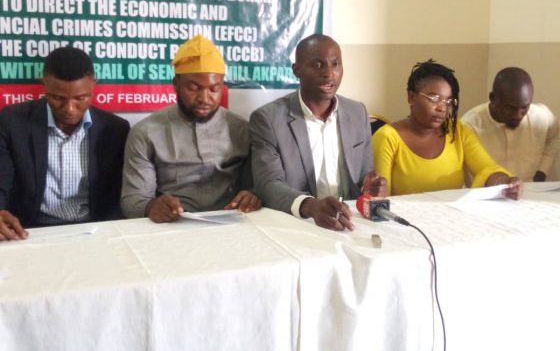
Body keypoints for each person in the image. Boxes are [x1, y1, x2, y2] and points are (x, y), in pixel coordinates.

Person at [249, 34, 387, 231]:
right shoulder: (268, 119)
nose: (329, 74)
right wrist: (311, 206)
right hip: (297, 225)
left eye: (335, 64)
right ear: (296, 70)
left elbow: (364, 177)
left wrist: (371, 187)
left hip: (349, 221)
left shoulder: (357, 113)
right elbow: (268, 185)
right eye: (318, 65)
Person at [121, 35, 261, 223]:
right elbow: (132, 202)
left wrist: (253, 195)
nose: (204, 98)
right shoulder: (146, 133)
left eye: (214, 89)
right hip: (172, 225)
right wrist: (151, 207)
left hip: (232, 224)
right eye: (194, 88)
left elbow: (258, 187)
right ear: (175, 85)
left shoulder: (242, 129)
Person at [0, 46, 130, 241]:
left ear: (93, 85)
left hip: (96, 231)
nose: (69, 108)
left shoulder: (115, 129)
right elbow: (2, 178)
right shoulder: (13, 122)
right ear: (44, 84)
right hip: (30, 231)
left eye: (80, 98)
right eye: (57, 98)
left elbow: (117, 193)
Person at [372, 59, 521, 198]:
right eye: (434, 99)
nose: (442, 108)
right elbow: (379, 196)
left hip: (450, 214)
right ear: (411, 97)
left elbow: (486, 168)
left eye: (448, 101)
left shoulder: (458, 132)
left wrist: (503, 182)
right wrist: (377, 193)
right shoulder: (387, 137)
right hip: (403, 216)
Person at [462, 67, 560, 182]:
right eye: (510, 108)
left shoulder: (541, 116)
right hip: (484, 191)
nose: (518, 115)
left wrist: (542, 170)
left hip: (531, 189)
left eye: (524, 107)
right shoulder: (469, 126)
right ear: (492, 98)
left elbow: (556, 136)